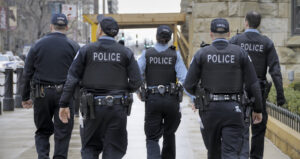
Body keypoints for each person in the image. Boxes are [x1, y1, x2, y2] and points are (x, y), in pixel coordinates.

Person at [58, 16, 142, 159]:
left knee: (90, 147)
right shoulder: (126, 52)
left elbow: (72, 78)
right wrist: (121, 91)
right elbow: (136, 81)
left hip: (92, 109)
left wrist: (64, 103)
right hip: (117, 108)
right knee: (114, 149)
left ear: (100, 30)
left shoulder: (86, 50)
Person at [184, 18, 263, 159]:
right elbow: (253, 84)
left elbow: (188, 85)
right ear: (229, 33)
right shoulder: (240, 53)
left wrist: (201, 96)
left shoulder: (201, 54)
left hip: (209, 110)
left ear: (211, 34)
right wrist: (258, 109)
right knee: (231, 153)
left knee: (213, 153)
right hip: (234, 110)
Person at [21, 13, 80, 159]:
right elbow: (80, 74)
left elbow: (27, 73)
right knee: (63, 132)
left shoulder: (37, 45)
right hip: (65, 96)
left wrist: (25, 97)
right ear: (66, 27)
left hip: (42, 94)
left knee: (42, 131)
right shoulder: (74, 46)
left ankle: (43, 156)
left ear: (51, 26)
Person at [230, 11, 286, 159]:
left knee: (241, 129)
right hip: (258, 94)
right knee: (258, 130)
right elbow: (275, 71)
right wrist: (280, 95)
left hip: (238, 91)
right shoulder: (266, 42)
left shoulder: (236, 40)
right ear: (259, 24)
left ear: (246, 22)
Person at [137, 25, 190, 159]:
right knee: (169, 134)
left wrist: (138, 90)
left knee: (152, 138)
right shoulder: (175, 54)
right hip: (171, 100)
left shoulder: (147, 53)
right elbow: (185, 79)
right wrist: (193, 98)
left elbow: (135, 75)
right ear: (170, 38)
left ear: (156, 37)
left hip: (153, 100)